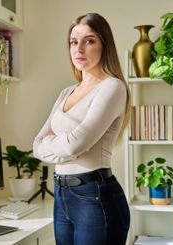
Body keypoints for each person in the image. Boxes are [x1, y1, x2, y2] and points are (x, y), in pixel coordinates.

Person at [33, 13, 131, 245]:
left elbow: (76, 143)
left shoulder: (112, 87)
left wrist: (66, 145)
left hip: (94, 195)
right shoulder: (66, 92)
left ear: (104, 45)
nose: (80, 48)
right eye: (74, 41)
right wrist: (66, 146)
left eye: (90, 40)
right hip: (61, 195)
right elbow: (36, 145)